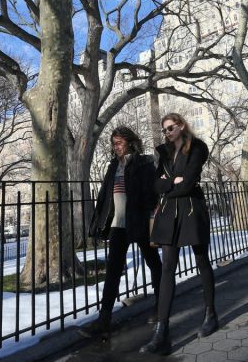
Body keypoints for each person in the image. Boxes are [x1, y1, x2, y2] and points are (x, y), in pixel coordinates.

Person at [140, 113, 217, 355]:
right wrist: (174, 182)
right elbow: (156, 185)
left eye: (171, 128)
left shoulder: (197, 147)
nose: (167, 133)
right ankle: (161, 333)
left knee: (202, 260)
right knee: (167, 269)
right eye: (164, 130)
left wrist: (169, 184)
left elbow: (190, 181)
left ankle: (210, 314)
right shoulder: (163, 152)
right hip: (168, 214)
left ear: (181, 126)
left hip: (192, 210)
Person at [86, 126, 163, 339]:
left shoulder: (144, 162)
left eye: (119, 143)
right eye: (114, 143)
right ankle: (104, 319)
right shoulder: (113, 165)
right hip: (118, 226)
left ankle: (160, 305)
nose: (116, 147)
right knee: (113, 271)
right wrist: (100, 221)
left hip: (138, 222)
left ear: (129, 142)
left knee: (154, 263)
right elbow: (106, 196)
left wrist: (147, 214)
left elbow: (151, 193)